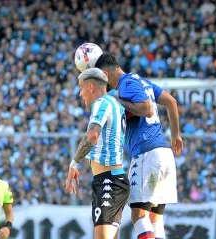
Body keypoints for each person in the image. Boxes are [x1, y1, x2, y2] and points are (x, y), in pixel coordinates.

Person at [95, 53, 183, 239]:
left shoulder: (125, 84)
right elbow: (171, 102)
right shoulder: (141, 81)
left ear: (105, 73)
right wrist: (175, 135)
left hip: (147, 153)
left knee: (138, 215)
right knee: (155, 218)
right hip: (164, 153)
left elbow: (146, 109)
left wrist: (118, 100)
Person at [65, 68, 130, 239]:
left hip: (110, 181)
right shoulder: (115, 104)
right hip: (110, 180)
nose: (80, 94)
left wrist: (74, 163)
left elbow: (92, 135)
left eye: (81, 87)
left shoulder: (102, 103)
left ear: (91, 87)